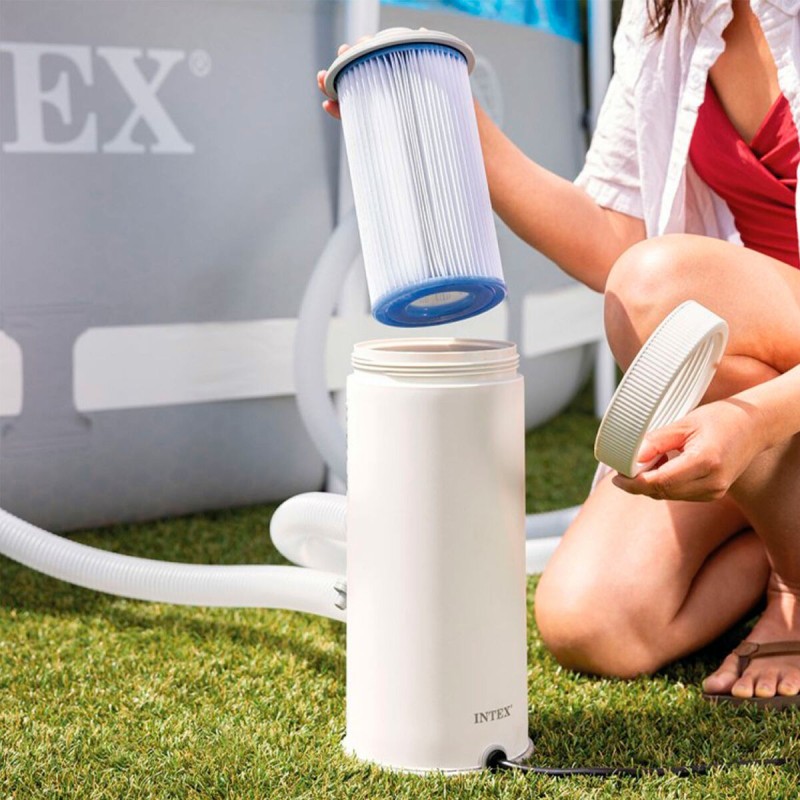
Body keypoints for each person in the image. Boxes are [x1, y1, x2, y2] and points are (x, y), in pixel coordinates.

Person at [318, 0, 800, 706]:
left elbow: (643, 278)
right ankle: (782, 527)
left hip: (777, 392)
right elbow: (615, 239)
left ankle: (795, 587)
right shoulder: (669, 11)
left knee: (659, 289)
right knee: (593, 620)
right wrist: (458, 123)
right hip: (766, 369)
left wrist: (752, 421)